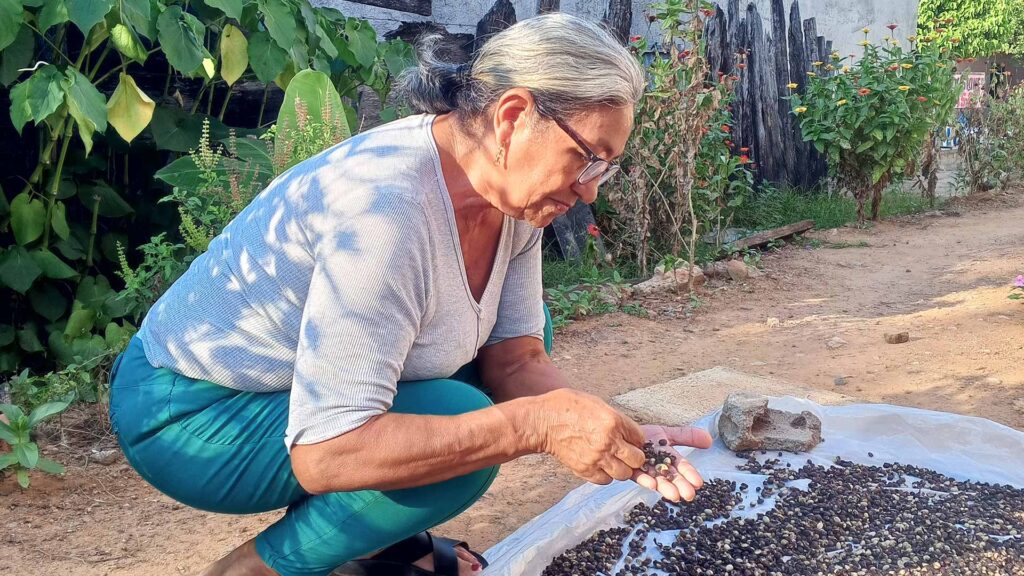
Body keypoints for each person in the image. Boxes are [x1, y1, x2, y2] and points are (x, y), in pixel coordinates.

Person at [108, 13, 713, 576]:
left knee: (513, 344)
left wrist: (616, 431)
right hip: (192, 413)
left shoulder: (514, 201)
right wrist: (540, 425)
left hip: (293, 398)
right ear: (510, 118)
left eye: (603, 170)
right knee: (466, 429)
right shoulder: (388, 208)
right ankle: (256, 567)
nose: (589, 193)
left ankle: (375, 542)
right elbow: (326, 454)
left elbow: (516, 360)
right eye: (585, 160)